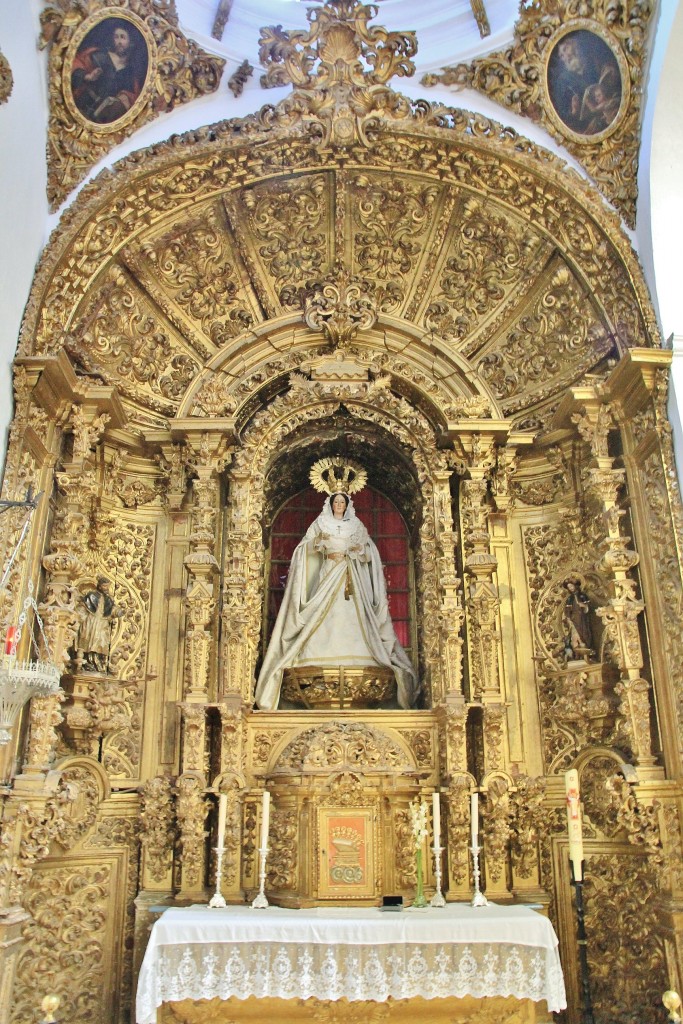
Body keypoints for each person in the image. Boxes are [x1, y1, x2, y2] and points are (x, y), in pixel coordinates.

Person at [255, 492, 419, 710]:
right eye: (336, 502)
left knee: (353, 615)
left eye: (343, 502)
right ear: (331, 504)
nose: (339, 505)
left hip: (352, 576)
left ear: (347, 505)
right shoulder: (321, 523)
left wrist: (359, 550)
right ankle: (314, 656)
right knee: (323, 613)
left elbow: (369, 551)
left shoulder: (357, 525)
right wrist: (317, 542)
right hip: (329, 572)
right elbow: (304, 550)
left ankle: (363, 657)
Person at [71, 20, 145, 125]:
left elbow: (133, 97)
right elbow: (76, 63)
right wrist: (87, 76)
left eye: (123, 37)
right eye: (116, 37)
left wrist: (121, 99)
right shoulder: (99, 55)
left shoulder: (130, 72)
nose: (119, 41)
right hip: (81, 107)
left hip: (102, 118)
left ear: (130, 42)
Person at [551, 32, 620, 136]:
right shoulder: (563, 80)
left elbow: (612, 71)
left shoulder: (592, 59)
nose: (566, 56)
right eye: (561, 55)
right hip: (591, 125)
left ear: (574, 45)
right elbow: (562, 114)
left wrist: (610, 72)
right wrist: (574, 111)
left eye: (566, 49)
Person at [76, 577, 119, 673]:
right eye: (104, 586)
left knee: (102, 643)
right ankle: (88, 662)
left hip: (102, 623)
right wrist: (79, 618)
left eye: (107, 586)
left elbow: (112, 611)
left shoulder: (109, 599)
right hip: (92, 621)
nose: (106, 588)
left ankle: (99, 663)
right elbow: (83, 607)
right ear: (99, 586)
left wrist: (118, 612)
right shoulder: (91, 596)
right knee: (90, 642)